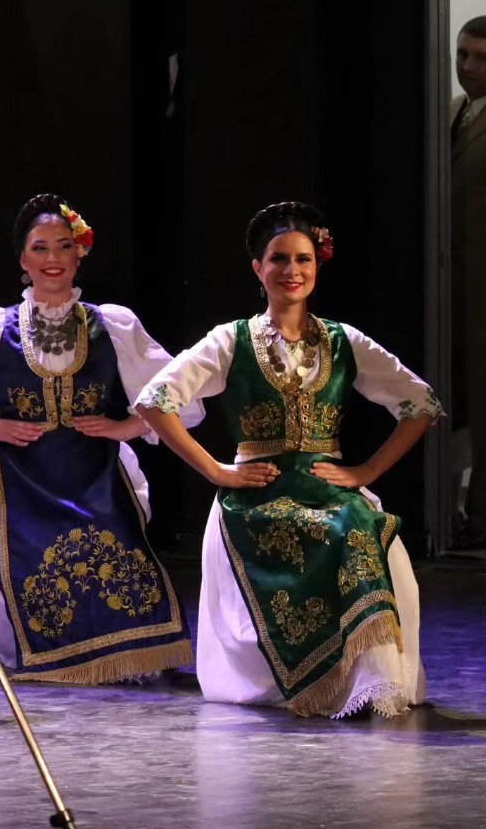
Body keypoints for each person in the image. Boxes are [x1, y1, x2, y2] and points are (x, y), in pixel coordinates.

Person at [137, 201, 438, 718]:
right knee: (346, 528)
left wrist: (366, 471)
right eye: (279, 259)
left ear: (317, 267)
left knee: (359, 527)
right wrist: (216, 470)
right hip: (257, 494)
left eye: (303, 259)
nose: (291, 270)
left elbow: (421, 404)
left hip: (327, 487)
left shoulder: (343, 341)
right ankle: (317, 682)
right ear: (258, 268)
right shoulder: (231, 340)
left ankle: (364, 681)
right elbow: (155, 401)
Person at [0, 194, 198, 683]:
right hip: (20, 477)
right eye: (40, 247)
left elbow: (179, 394)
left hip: (97, 472)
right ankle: (57, 658)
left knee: (117, 570)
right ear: (23, 261)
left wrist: (130, 427)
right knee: (34, 579)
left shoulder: (113, 324)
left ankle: (115, 656)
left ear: (79, 254)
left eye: (64, 246)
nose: (53, 258)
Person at [451, 16, 486, 545]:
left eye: (482, 58)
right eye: (464, 54)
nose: (469, 65)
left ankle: (481, 520)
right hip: (450, 288)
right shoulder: (454, 110)